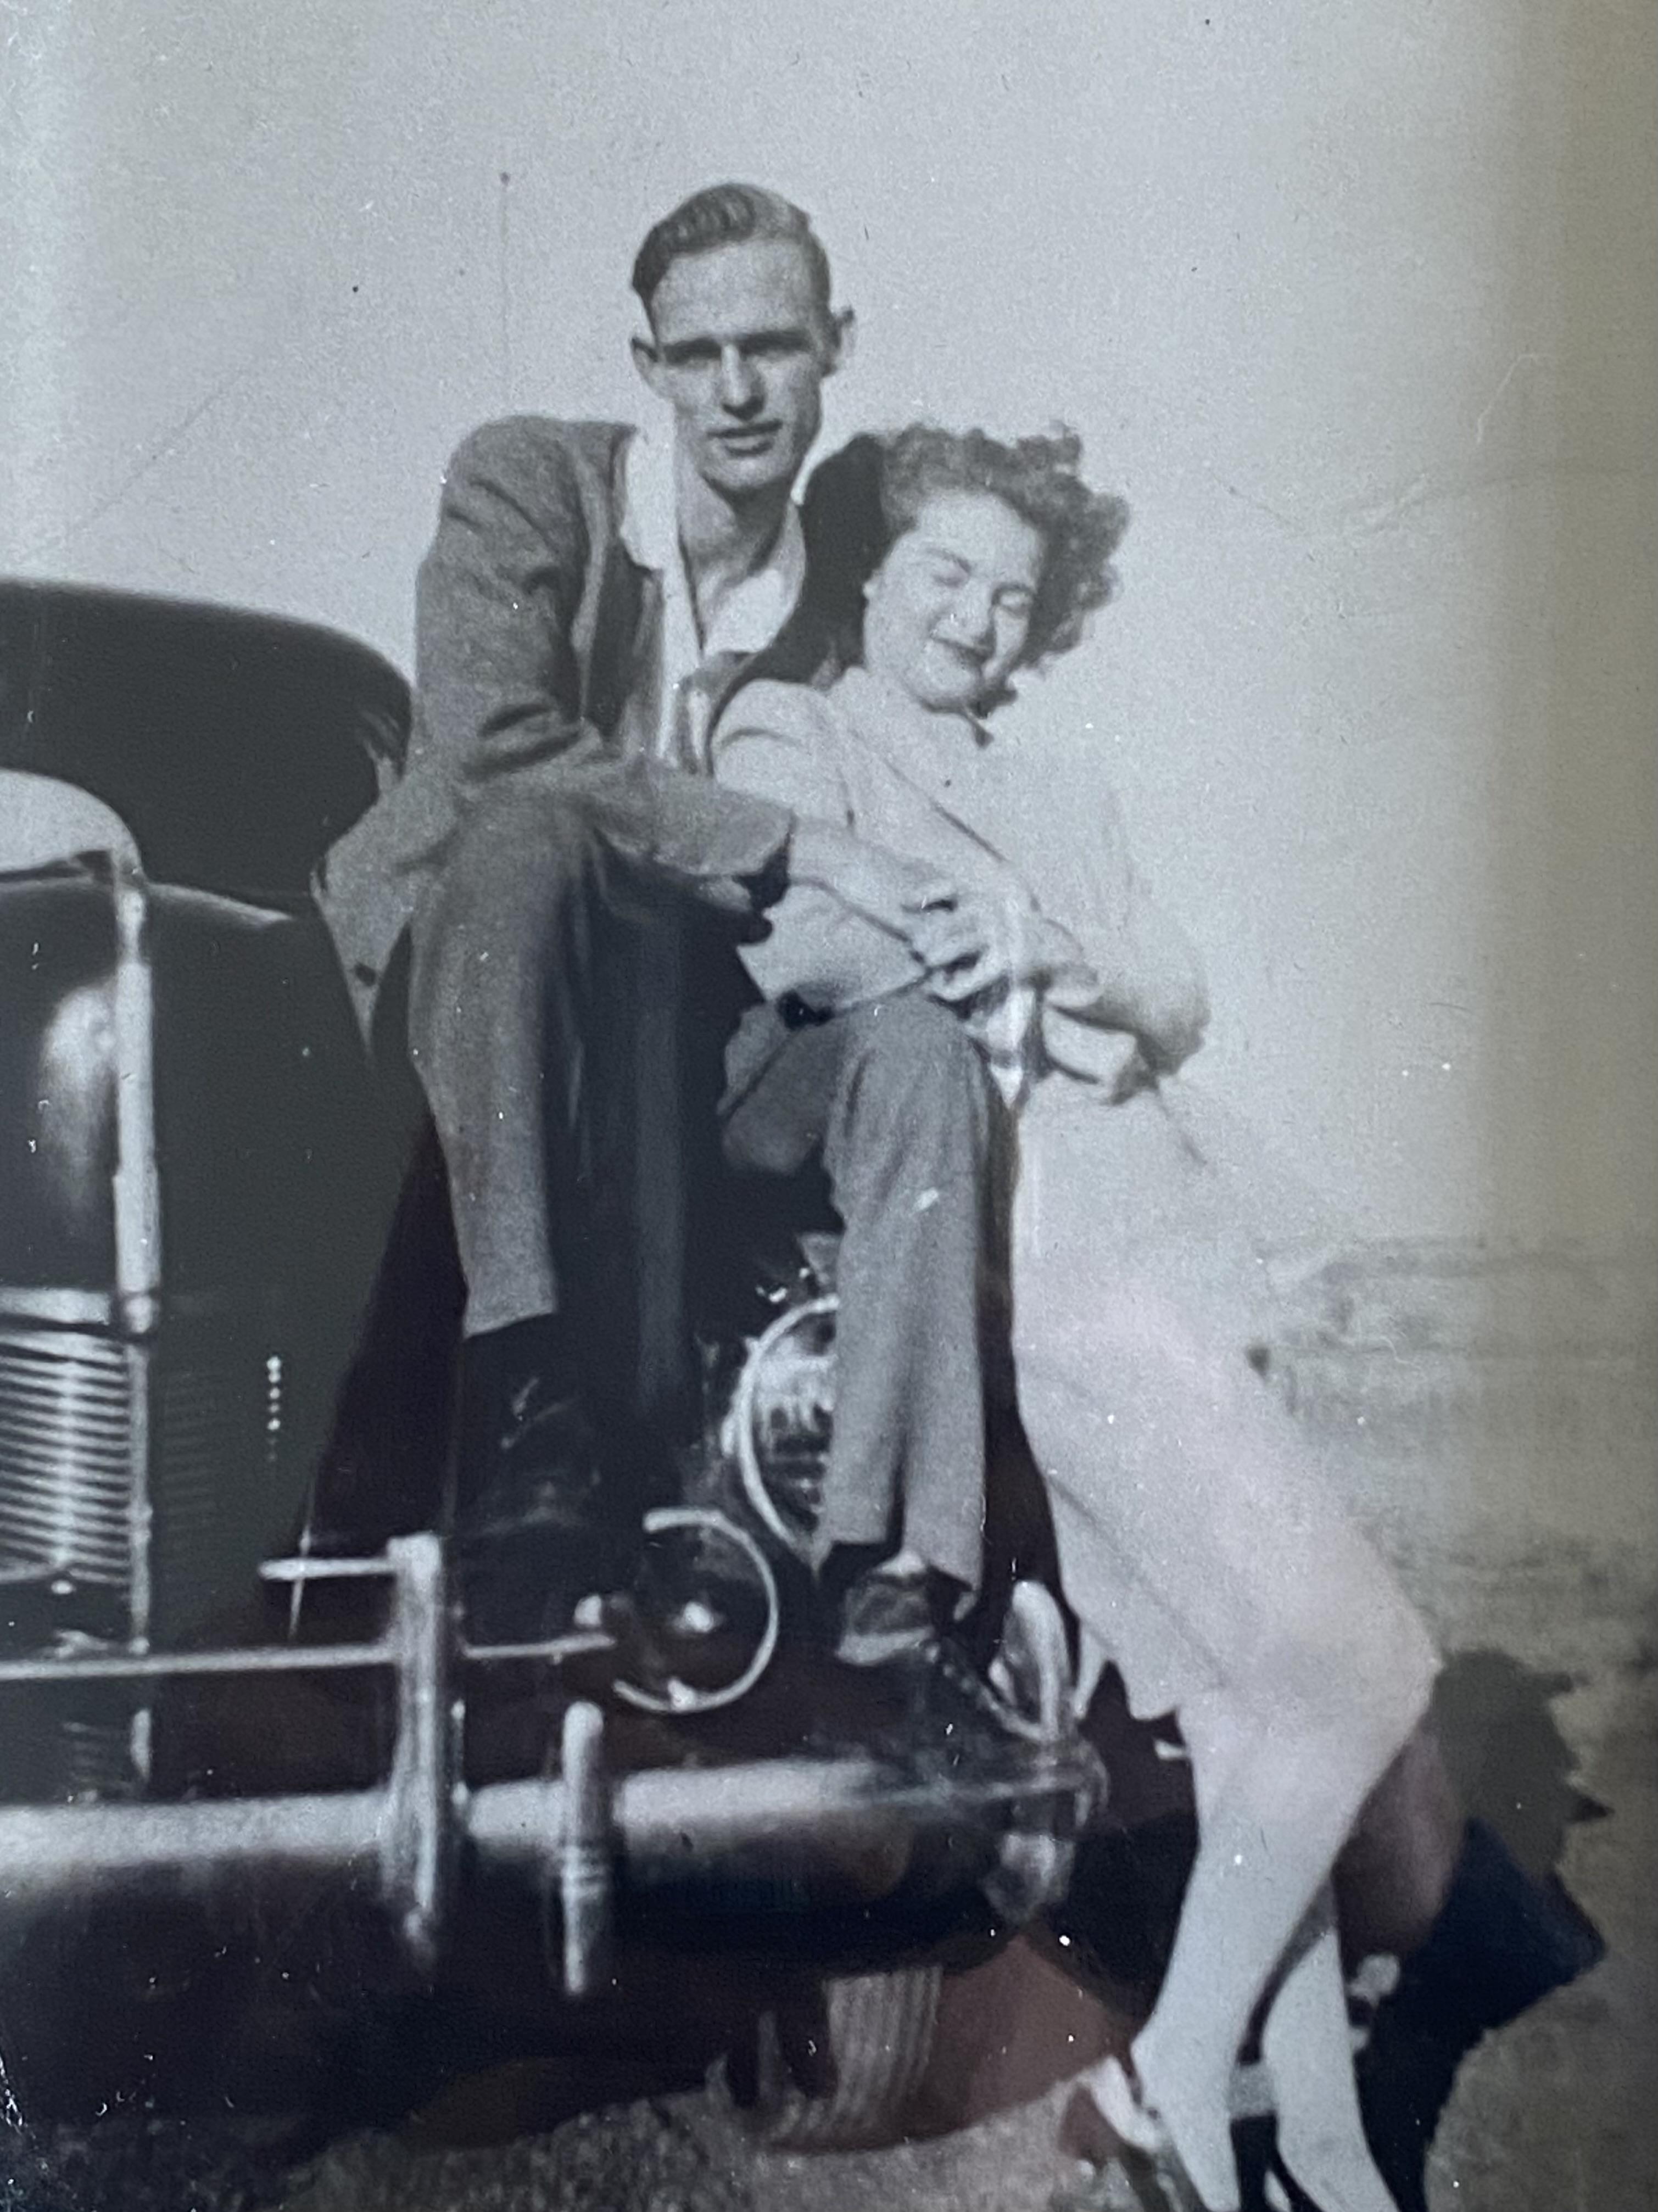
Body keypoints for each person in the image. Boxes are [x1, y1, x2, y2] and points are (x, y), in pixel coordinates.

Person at [709, 424, 1440, 2212]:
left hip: (1174, 1244)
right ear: (870, 571)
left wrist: (1045, 946)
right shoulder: (799, 732)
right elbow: (791, 940)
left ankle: (1324, 2148)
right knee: (1366, 1671)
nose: (971, 616)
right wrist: (994, 945)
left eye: (1010, 597)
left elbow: (1172, 987)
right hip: (1044, 1262)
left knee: (1264, 1708)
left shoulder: (1062, 788)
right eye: (942, 574)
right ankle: (1172, 2068)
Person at [311, 187, 997, 1648]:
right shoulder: (526, 484)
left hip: (687, 1037)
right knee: (538, 833)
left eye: (771, 345)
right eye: (696, 355)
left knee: (921, 1045)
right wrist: (807, 845)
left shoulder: (834, 605)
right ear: (647, 368)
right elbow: (495, 741)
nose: (736, 390)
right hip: (488, 989)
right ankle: (530, 1387)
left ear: (835, 348)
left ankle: (888, 1542)